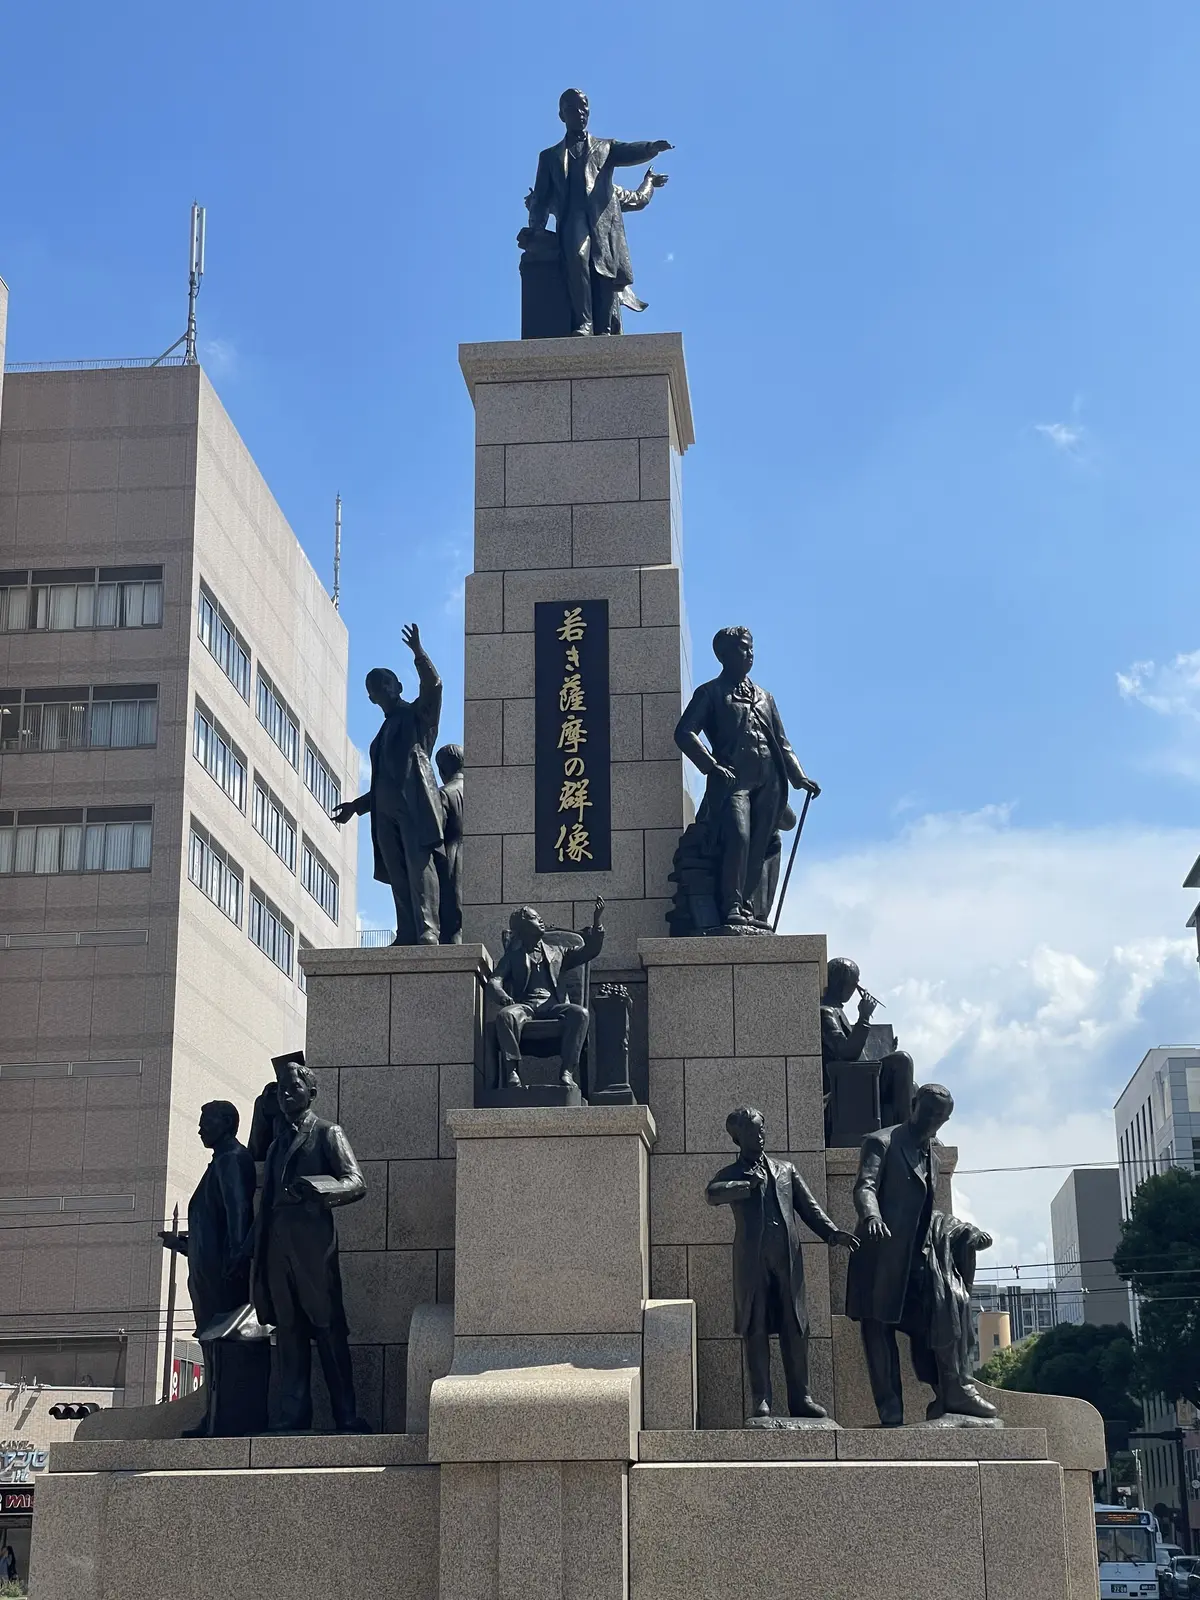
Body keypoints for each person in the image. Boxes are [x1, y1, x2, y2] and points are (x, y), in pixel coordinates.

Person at [846, 1083, 997, 1427]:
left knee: (944, 1309)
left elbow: (929, 1211)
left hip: (916, 1258)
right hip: (880, 1256)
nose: (933, 1122)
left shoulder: (934, 1152)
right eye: (928, 1112)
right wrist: (871, 1215)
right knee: (878, 1331)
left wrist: (962, 1231)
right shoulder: (881, 1142)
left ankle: (951, 1390)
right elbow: (865, 1185)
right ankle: (890, 1409)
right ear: (914, 1105)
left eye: (940, 1118)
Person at [706, 1107, 858, 1419]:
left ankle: (801, 1397)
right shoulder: (733, 1174)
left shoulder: (785, 1170)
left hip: (787, 1260)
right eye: (753, 1131)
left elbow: (809, 1208)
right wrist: (745, 1186)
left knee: (796, 1326)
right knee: (756, 1326)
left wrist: (832, 1234)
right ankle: (762, 1399)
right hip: (752, 1263)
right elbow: (712, 1194)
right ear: (738, 1138)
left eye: (762, 1129)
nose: (760, 1135)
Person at [250, 1052, 367, 1432]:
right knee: (289, 1332)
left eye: (294, 1087)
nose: (286, 1094)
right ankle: (294, 1415)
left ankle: (346, 1415)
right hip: (277, 1250)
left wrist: (322, 1189)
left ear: (311, 1092)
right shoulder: (275, 1145)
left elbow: (356, 1182)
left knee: (329, 1329)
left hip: (314, 1248)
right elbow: (265, 1205)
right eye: (282, 1089)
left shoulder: (327, 1133)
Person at [675, 626, 819, 930]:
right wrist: (711, 765)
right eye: (742, 648)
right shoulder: (710, 693)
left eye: (751, 648)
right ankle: (732, 904)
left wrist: (800, 778)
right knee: (738, 838)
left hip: (770, 781)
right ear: (723, 655)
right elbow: (685, 732)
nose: (749, 654)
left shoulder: (765, 697)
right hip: (733, 782)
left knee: (760, 842)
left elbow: (782, 742)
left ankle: (750, 908)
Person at [524, 89, 672, 336]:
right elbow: (540, 198)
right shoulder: (549, 157)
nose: (580, 113)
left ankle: (603, 328)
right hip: (572, 219)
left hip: (602, 222)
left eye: (584, 108)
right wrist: (534, 228)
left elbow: (629, 153)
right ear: (562, 115)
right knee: (577, 258)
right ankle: (584, 323)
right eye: (573, 108)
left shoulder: (606, 147)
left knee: (602, 268)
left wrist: (650, 148)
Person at [331, 623, 443, 945]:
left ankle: (427, 929)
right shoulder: (379, 736)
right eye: (375, 686)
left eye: (386, 681)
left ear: (398, 685)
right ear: (371, 697)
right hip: (384, 813)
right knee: (397, 872)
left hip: (414, 805)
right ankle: (406, 929)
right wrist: (357, 806)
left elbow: (434, 687)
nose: (382, 687)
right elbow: (382, 783)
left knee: (418, 864)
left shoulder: (417, 716)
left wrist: (419, 654)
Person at [160, 1100, 256, 1437]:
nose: (200, 1127)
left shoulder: (232, 1160)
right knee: (212, 1349)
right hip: (208, 1270)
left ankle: (223, 1419)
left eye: (206, 1121)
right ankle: (214, 1417)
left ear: (227, 1123)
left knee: (221, 1347)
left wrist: (236, 1260)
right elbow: (216, 1223)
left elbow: (238, 1215)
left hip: (222, 1276)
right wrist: (186, 1245)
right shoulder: (220, 1162)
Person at [487, 898, 605, 1089]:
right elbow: (495, 980)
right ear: (524, 927)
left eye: (540, 918)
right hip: (526, 1006)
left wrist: (597, 922)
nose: (541, 921)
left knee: (580, 1013)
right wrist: (502, 996)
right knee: (505, 1015)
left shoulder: (559, 952)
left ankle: (567, 1072)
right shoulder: (513, 957)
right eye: (536, 918)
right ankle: (512, 1072)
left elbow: (589, 951)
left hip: (554, 1006)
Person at [434, 743, 464, 945]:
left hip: (451, 858)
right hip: (479, 857)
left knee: (451, 925)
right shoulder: (482, 792)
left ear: (442, 769)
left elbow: (434, 832)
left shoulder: (444, 793)